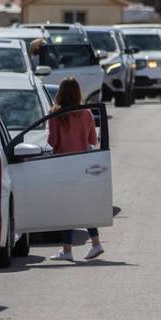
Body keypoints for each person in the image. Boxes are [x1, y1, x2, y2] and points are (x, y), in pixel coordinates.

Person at [47, 77, 105, 262]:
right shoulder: (86, 113)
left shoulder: (55, 114)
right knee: (83, 205)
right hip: (82, 164)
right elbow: (92, 141)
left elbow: (52, 141)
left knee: (67, 208)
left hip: (63, 164)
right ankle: (95, 243)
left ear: (60, 93)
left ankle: (67, 250)